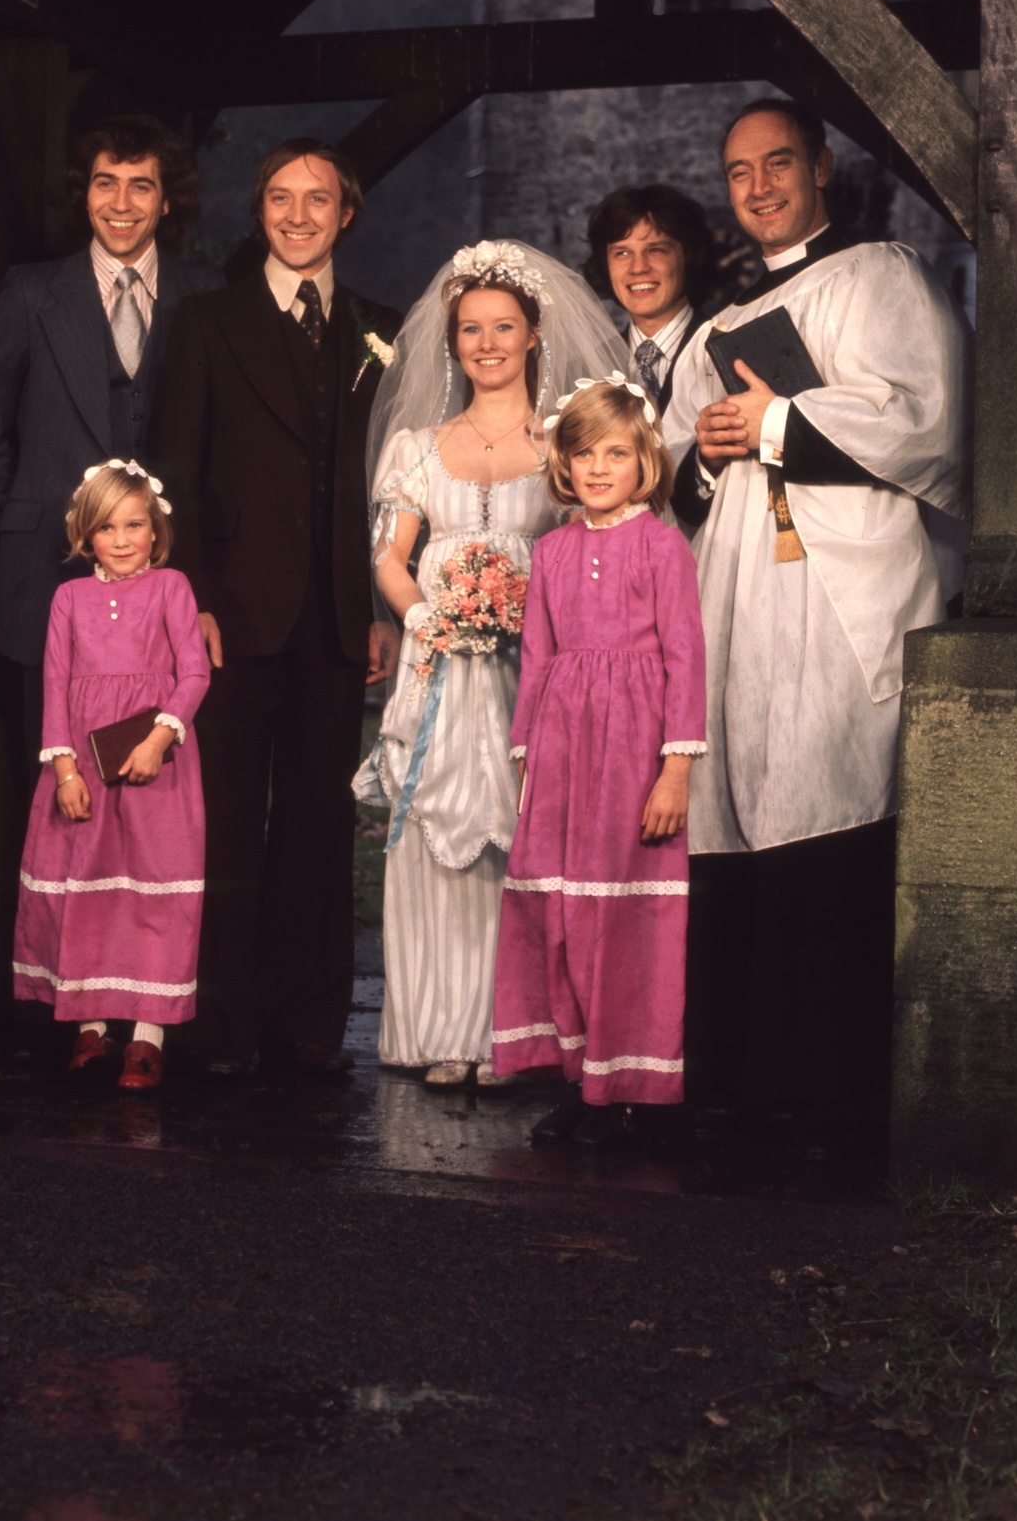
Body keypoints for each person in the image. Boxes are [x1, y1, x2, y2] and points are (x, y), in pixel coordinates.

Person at [661, 97, 971, 1152]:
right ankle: (739, 1081)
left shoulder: (883, 275)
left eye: (777, 162)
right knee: (740, 805)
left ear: (823, 166)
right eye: (739, 170)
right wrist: (705, 448)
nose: (758, 185)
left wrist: (779, 420)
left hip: (839, 597)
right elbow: (669, 483)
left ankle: (829, 1094)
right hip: (742, 602)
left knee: (826, 799)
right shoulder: (712, 329)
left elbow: (923, 422)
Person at [150, 139, 402, 1076]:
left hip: (340, 616)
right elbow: (174, 467)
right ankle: (220, 1019)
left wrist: (381, 603)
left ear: (347, 214)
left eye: (319, 199)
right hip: (234, 615)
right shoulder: (206, 322)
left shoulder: (384, 329)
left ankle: (308, 1020)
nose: (300, 215)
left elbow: (393, 487)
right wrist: (195, 603)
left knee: (317, 823)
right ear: (260, 210)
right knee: (223, 817)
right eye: (282, 199)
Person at [357, 241, 631, 1087]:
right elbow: (390, 558)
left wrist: (523, 612)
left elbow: (594, 544)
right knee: (439, 842)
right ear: (452, 339)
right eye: (470, 328)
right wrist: (428, 616)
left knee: (520, 841)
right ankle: (438, 1030)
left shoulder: (566, 445)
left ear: (534, 333)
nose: (486, 343)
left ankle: (518, 1036)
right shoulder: (417, 446)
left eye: (503, 326)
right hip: (439, 671)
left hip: (532, 677)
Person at [0, 113, 223, 792]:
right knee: (47, 780)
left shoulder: (209, 297)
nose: (122, 203)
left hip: (167, 585)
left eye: (141, 185)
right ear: (85, 194)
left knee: (156, 790)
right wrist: (33, 516)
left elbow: (222, 446)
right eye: (106, 183)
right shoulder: (32, 293)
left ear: (168, 199)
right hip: (46, 572)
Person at [490, 376, 707, 1147]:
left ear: (645, 457)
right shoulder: (550, 551)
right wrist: (528, 758)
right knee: (557, 908)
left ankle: (631, 1081)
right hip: (560, 752)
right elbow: (537, 659)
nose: (599, 467)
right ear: (564, 463)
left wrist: (675, 768)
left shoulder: (663, 545)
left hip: (635, 751)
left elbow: (686, 658)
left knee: (626, 911)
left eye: (616, 452)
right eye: (584, 454)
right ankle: (579, 1077)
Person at [13, 461, 210, 1093]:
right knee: (87, 893)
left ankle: (148, 1039)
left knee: (150, 898)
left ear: (155, 530)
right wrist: (64, 767)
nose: (122, 540)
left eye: (134, 525)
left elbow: (195, 674)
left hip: (157, 768)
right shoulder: (68, 598)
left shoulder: (173, 588)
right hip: (83, 770)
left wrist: (159, 737)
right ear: (84, 534)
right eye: (106, 527)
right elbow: (55, 685)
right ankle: (90, 1027)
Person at [583, 184, 718, 415]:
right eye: (622, 253)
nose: (638, 268)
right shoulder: (588, 368)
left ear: (688, 256)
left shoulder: (728, 349)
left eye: (656, 250)